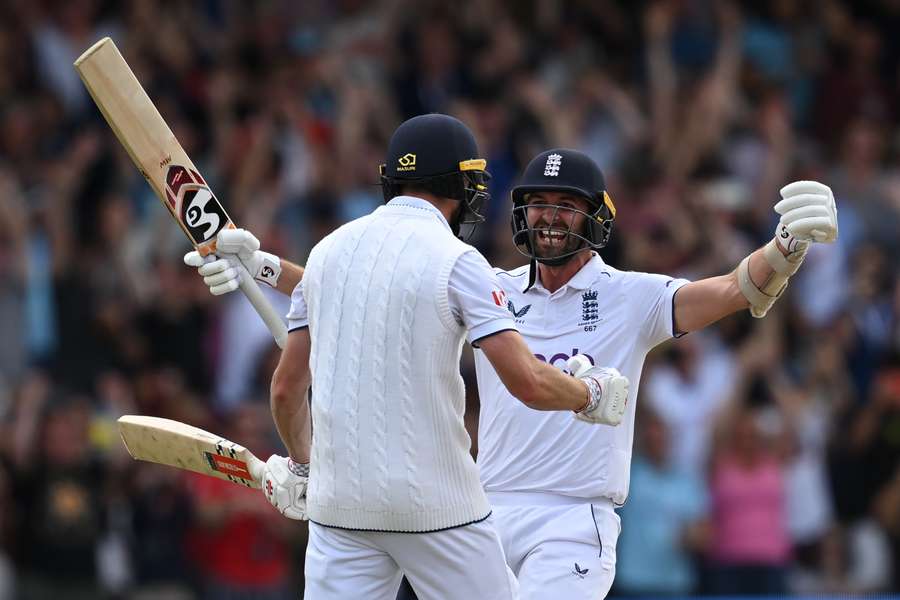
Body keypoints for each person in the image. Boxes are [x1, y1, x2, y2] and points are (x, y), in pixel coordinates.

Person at [187, 145, 838, 599]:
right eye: (538, 203)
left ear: (596, 218)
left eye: (566, 204)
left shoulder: (632, 297)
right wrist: (262, 267)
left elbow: (731, 289)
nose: (550, 216)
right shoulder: (490, 287)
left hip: (572, 518)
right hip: (481, 513)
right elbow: (357, 290)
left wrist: (785, 249)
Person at [190, 114, 630, 600]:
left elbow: (286, 390)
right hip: (438, 507)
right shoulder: (460, 261)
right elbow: (526, 381)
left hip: (341, 508)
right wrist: (588, 393)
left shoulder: (327, 253)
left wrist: (301, 466)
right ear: (459, 185)